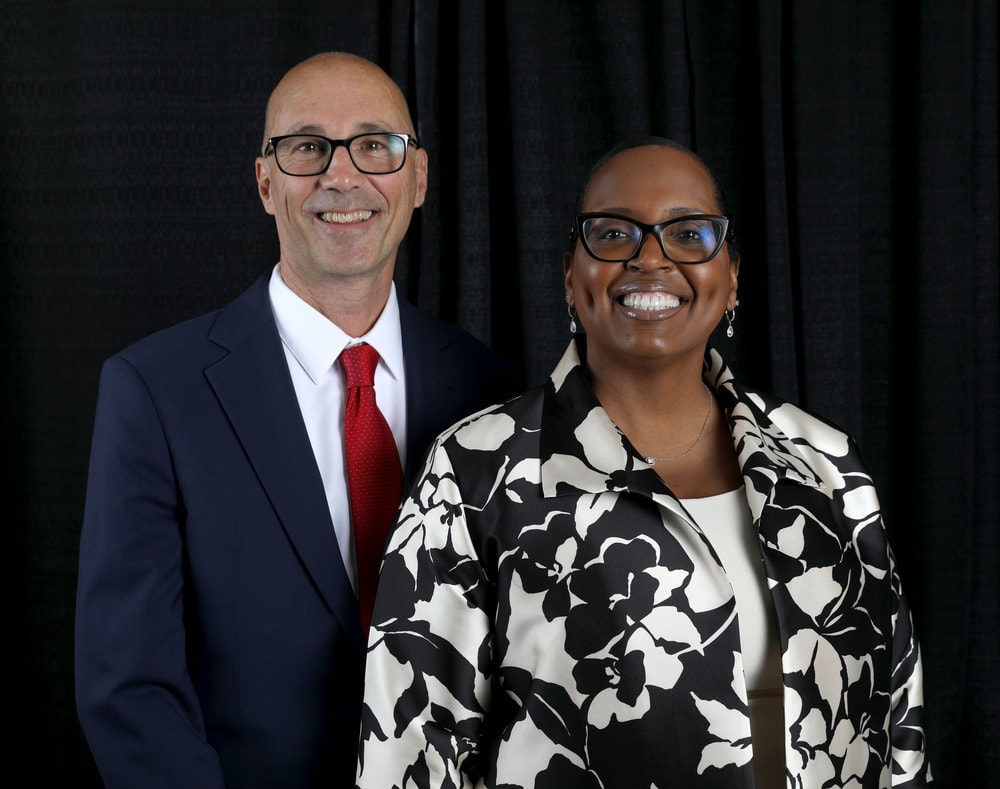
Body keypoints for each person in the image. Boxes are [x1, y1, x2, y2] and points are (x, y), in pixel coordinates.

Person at [356, 137, 933, 788]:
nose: (650, 257)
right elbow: (405, 757)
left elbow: (899, 729)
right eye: (613, 232)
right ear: (570, 275)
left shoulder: (826, 463)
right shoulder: (473, 473)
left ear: (732, 278)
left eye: (689, 233)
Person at [74, 51, 520, 788]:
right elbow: (129, 692)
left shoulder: (490, 387)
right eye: (306, 147)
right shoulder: (154, 391)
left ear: (418, 178)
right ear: (265, 183)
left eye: (375, 145)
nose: (342, 176)